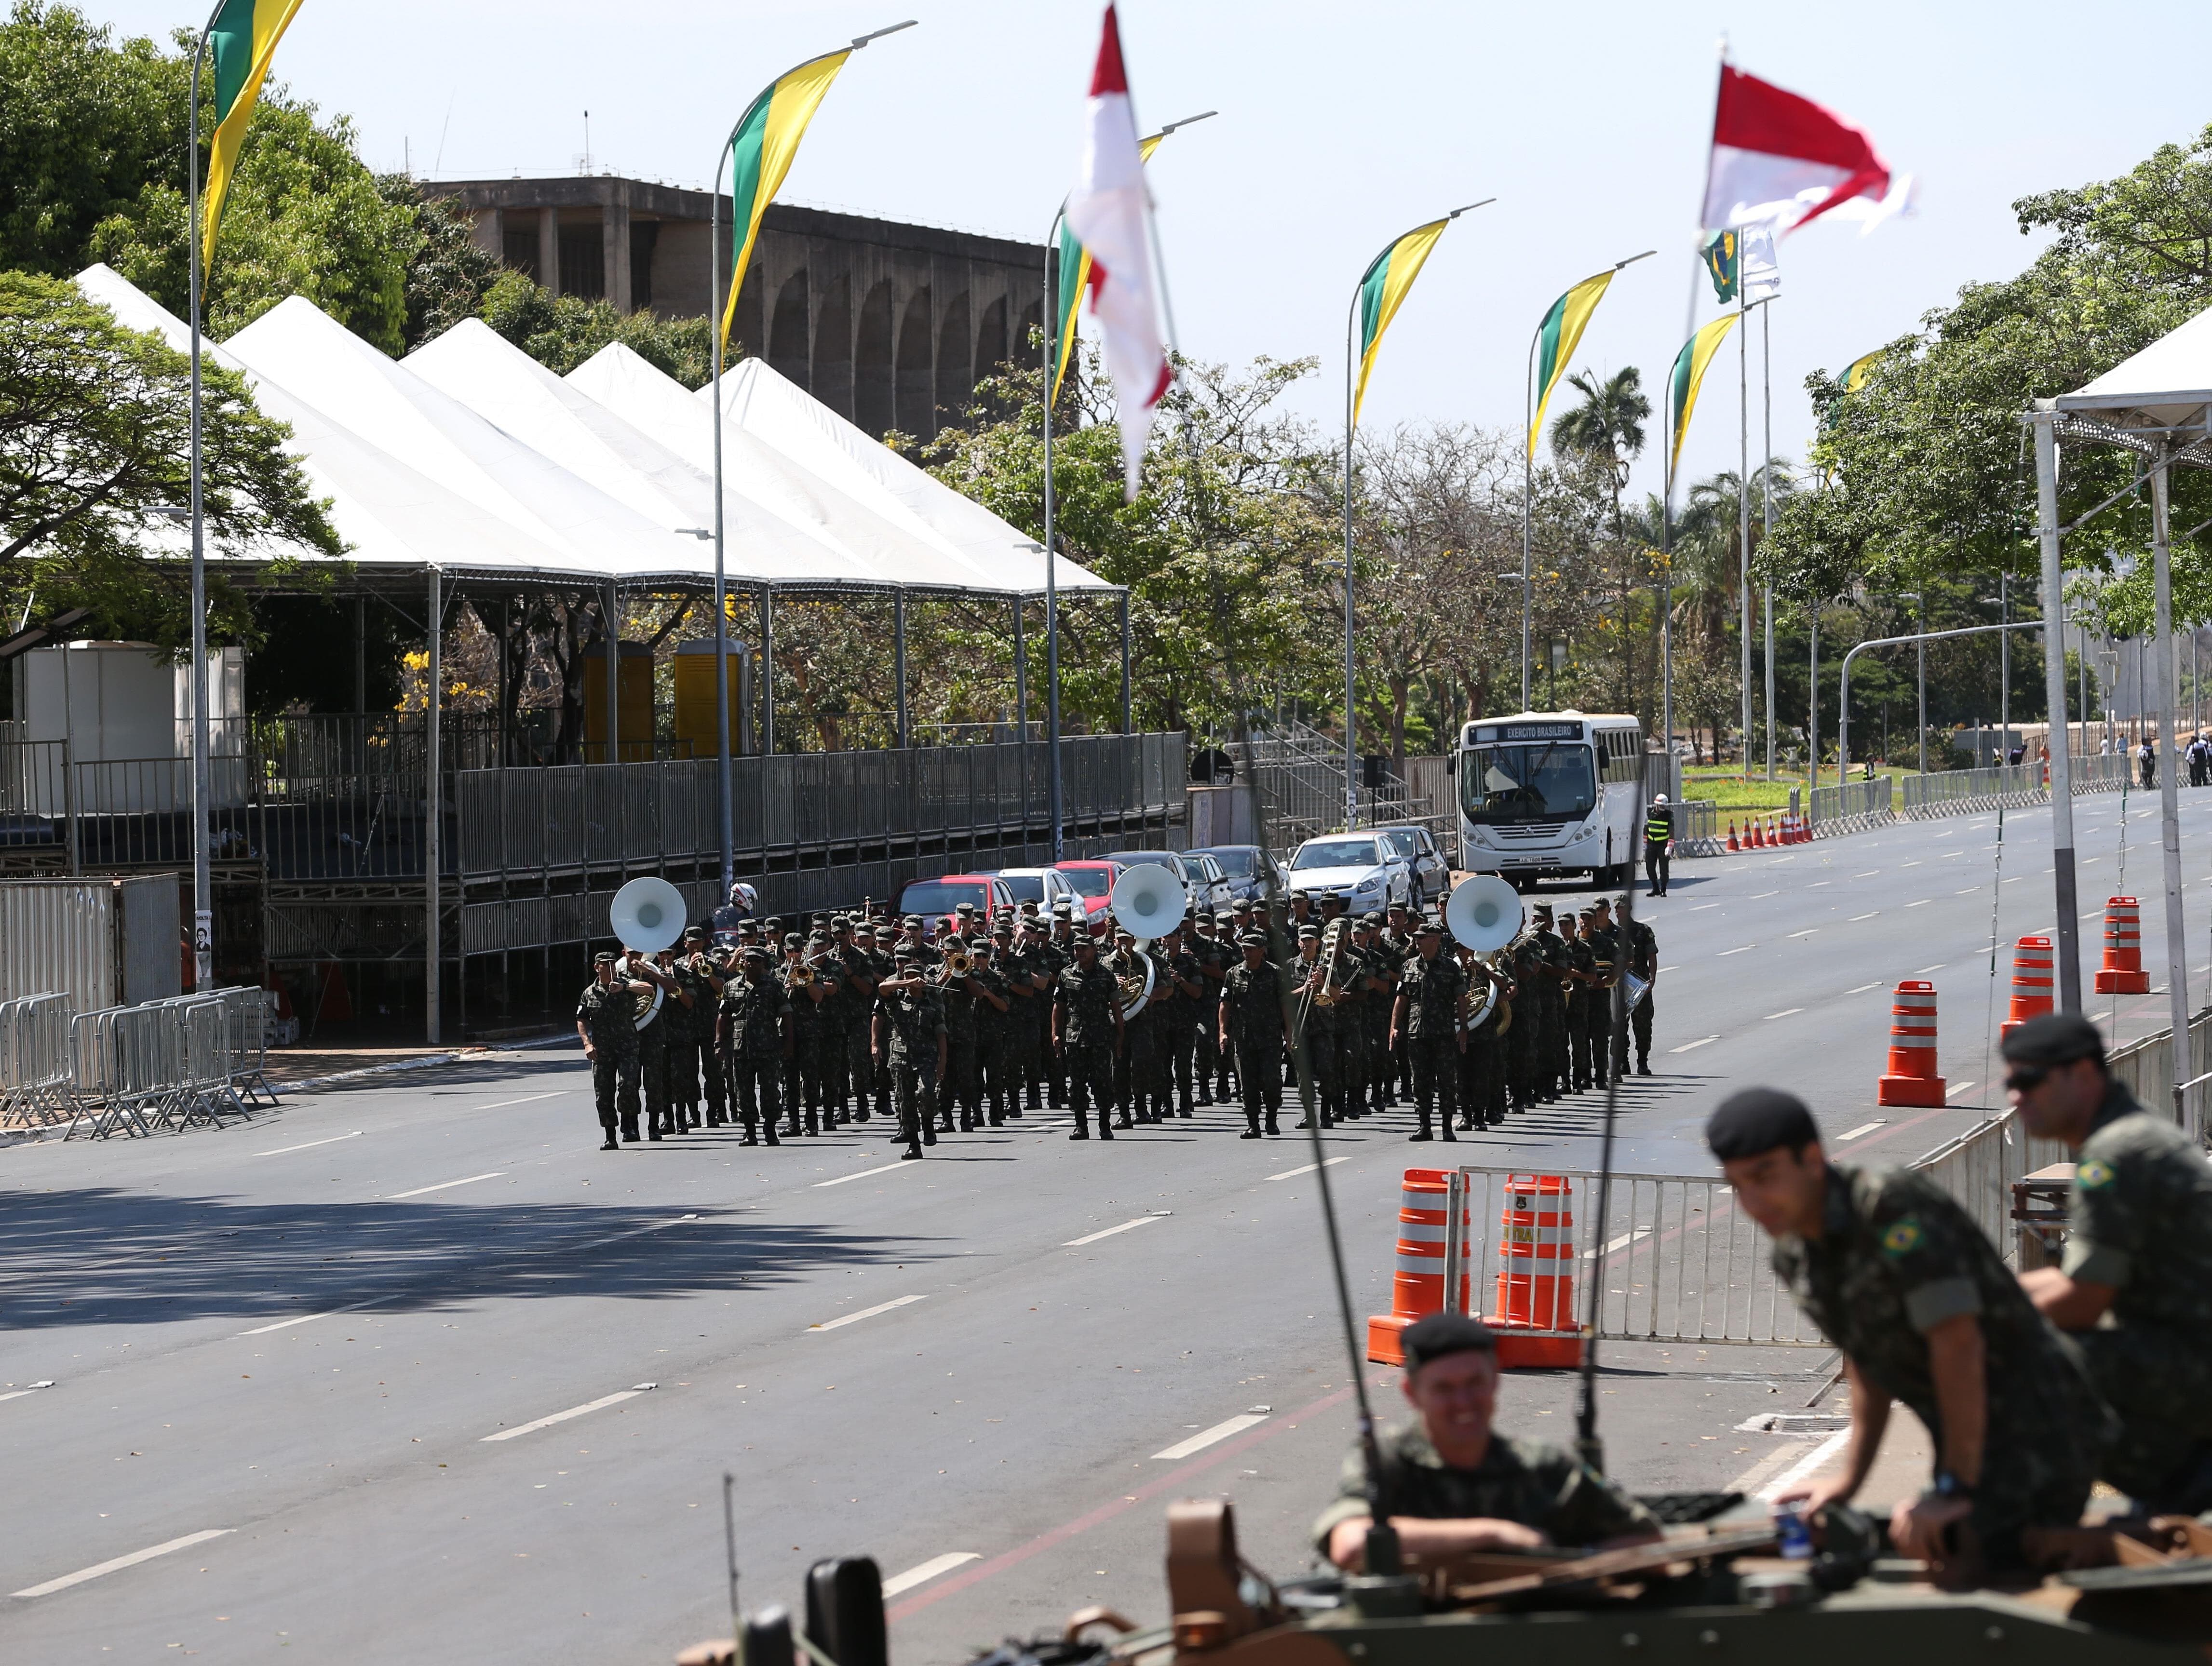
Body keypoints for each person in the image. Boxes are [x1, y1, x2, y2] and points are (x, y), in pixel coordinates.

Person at [1706, 1088, 2105, 1573]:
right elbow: (1865, 1362)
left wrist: (1955, 1487)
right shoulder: (1795, 1255)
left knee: (1981, 1588)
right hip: (1971, 1444)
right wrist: (1848, 1480)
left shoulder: (1885, 1205)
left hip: (2041, 1424)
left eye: (1764, 1176)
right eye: (1737, 1184)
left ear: (1811, 1159)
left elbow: (1957, 1340)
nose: (1752, 1200)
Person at [2004, 1013, 2212, 1510]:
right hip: (2187, 1355)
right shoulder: (2133, 1138)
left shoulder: (2116, 1156)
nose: (2016, 1097)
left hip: (2193, 1363)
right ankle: (2172, 1491)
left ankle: (2014, 1518)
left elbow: (2079, 1303)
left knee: (2025, 1357)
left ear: (2082, 1075)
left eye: (2030, 1080)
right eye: (2011, 1082)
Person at [1314, 1312, 1659, 1570]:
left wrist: (1572, 1568)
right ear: (1412, 1394)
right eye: (1444, 1389)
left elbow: (1648, 1543)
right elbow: (1351, 1546)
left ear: (1495, 1381)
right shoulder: (1387, 1461)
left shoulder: (1539, 1467)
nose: (1464, 1402)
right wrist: (1495, 1535)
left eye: (1475, 1383)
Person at [1391, 919, 1466, 1143]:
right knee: (1420, 1081)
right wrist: (1394, 1025)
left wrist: (1463, 1029)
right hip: (1417, 1033)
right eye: (1416, 937)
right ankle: (1424, 1125)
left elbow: (1461, 999)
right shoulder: (1409, 965)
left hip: (1443, 1033)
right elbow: (1401, 998)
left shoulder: (1450, 967)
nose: (1416, 941)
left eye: (1421, 938)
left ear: (1434, 940)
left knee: (1446, 1081)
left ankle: (1446, 1127)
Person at [577, 951, 657, 1149]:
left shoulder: (625, 984)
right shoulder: (590, 993)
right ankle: (610, 1135)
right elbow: (581, 1019)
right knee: (603, 1093)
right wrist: (587, 1044)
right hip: (602, 1050)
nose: (611, 967)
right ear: (597, 968)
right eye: (606, 964)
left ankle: (628, 1125)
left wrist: (625, 987)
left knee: (628, 1085)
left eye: (613, 964)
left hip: (627, 1046)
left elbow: (649, 989)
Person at [874, 945, 946, 1160]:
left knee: (927, 1094)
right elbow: (883, 988)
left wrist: (942, 1062)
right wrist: (906, 983)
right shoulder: (896, 1000)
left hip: (926, 1057)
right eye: (907, 976)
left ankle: (929, 1125)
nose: (911, 979)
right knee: (905, 1102)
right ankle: (914, 1145)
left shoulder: (932, 1003)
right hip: (901, 1057)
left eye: (915, 976)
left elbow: (941, 1034)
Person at [715, 947, 792, 1147]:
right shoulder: (731, 986)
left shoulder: (774, 986)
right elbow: (723, 1016)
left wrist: (788, 1042)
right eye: (749, 960)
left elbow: (786, 1015)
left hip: (768, 1047)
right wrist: (719, 1043)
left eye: (757, 961)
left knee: (770, 1090)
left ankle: (770, 1129)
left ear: (763, 963)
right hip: (741, 1048)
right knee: (743, 1091)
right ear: (743, 962)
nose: (752, 964)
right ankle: (750, 1132)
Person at [1053, 932, 1123, 1141]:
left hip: (1101, 1038)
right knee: (1077, 1084)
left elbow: (1116, 1007)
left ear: (1094, 950)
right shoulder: (1066, 974)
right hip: (1075, 1038)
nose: (1080, 952)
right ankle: (1081, 1126)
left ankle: (1104, 1125)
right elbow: (1059, 1005)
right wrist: (1055, 1034)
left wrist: (1120, 1034)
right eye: (1076, 948)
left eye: (1084, 948)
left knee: (1102, 1083)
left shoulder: (1106, 975)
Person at [1220, 929, 1284, 1139]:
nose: (1246, 953)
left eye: (1250, 949)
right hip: (1244, 1038)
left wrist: (1289, 1033)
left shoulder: (1275, 973)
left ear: (1262, 950)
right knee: (1248, 1083)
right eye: (1244, 949)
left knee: (1271, 1079)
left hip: (1270, 1038)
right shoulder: (1234, 973)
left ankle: (1272, 1120)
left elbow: (1285, 1005)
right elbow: (1225, 1005)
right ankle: (1253, 1125)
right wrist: (1223, 1032)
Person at [1644, 793, 1674, 898]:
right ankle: (1655, 888)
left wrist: (1670, 846)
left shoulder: (1669, 815)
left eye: (1664, 806)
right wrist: (1645, 844)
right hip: (1651, 845)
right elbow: (1646, 829)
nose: (1663, 808)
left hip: (1663, 846)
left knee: (1664, 870)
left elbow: (1671, 831)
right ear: (1657, 805)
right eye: (1661, 806)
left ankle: (1663, 890)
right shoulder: (1649, 814)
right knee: (1650, 868)